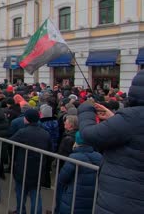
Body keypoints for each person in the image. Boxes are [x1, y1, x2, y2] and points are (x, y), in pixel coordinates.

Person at [78, 70, 144, 214]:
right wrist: (115, 119)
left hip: (122, 198)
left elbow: (89, 135)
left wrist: (86, 110)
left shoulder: (133, 118)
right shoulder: (130, 120)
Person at [10, 109, 51, 214]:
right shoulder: (45, 133)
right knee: (35, 194)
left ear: (27, 119)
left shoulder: (23, 132)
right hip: (38, 169)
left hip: (23, 168)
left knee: (21, 193)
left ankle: (20, 211)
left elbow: (10, 142)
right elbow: (51, 151)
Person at [58, 132, 102, 214]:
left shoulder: (74, 157)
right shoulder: (99, 157)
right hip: (91, 200)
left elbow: (62, 178)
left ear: (77, 141)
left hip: (73, 199)